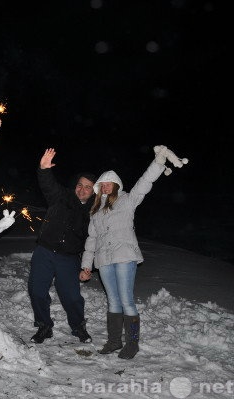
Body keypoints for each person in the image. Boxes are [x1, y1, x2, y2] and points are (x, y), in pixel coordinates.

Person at [79, 145, 180, 359]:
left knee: (126, 300)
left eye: (109, 184)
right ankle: (115, 341)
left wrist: (158, 163)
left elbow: (145, 183)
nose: (105, 187)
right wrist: (86, 266)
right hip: (104, 260)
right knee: (113, 301)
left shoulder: (127, 201)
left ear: (116, 185)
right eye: (102, 184)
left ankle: (132, 343)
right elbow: (92, 239)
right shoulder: (95, 210)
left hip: (124, 256)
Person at [28, 148, 96, 344]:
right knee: (37, 291)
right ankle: (44, 326)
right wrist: (44, 169)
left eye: (88, 187)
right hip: (45, 251)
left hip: (69, 258)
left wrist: (87, 266)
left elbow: (92, 241)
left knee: (72, 297)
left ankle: (78, 326)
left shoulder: (93, 213)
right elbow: (48, 185)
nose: (82, 190)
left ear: (93, 191)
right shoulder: (62, 197)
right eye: (80, 185)